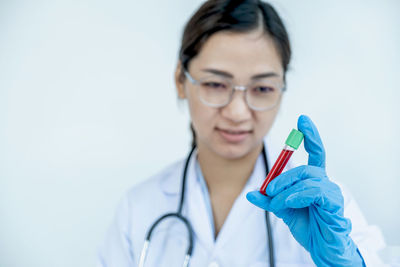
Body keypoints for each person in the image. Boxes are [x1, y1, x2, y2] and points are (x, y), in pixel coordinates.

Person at [97, 0, 385, 266]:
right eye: (215, 84)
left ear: (281, 89)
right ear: (180, 81)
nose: (237, 112)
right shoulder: (138, 209)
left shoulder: (324, 209)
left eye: (261, 89)